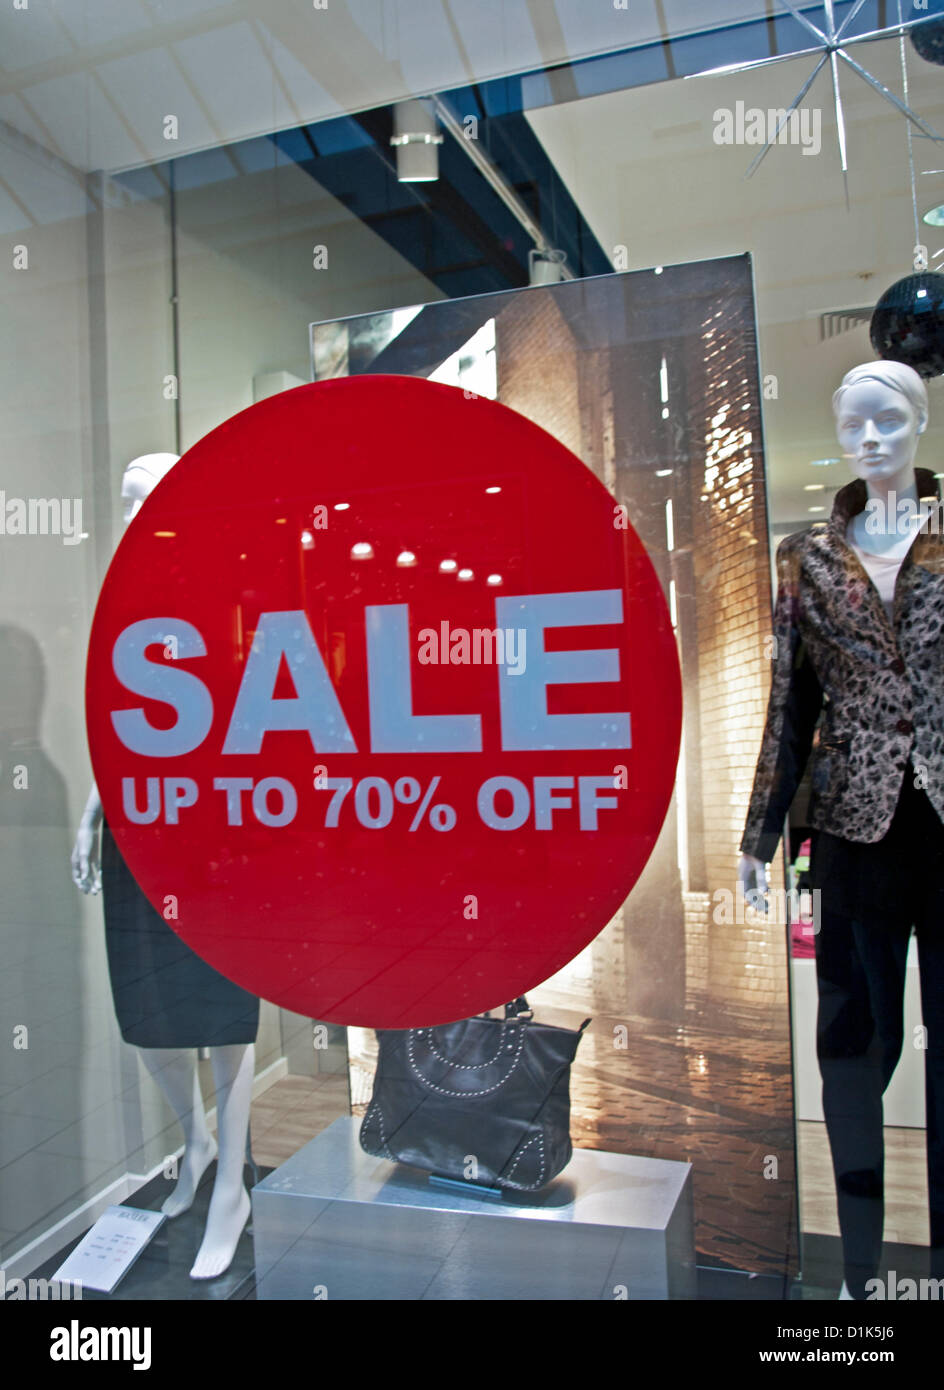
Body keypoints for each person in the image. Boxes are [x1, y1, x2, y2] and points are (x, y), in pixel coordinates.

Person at [738, 361, 944, 1300]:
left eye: (889, 418)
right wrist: (758, 836)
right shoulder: (806, 558)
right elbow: (792, 700)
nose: (871, 438)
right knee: (854, 1051)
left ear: (923, 421)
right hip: (855, 836)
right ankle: (860, 1278)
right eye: (853, 421)